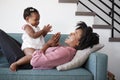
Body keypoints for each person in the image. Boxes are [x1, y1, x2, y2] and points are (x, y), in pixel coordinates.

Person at [0, 7, 52, 72]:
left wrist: (45, 32)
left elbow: (39, 37)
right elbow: (33, 35)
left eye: (39, 20)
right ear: (27, 19)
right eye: (36, 20)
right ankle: (16, 63)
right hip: (29, 47)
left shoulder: (37, 28)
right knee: (31, 56)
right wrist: (43, 30)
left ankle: (18, 62)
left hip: (33, 56)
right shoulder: (27, 26)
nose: (38, 22)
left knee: (33, 56)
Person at [30, 21, 99, 69]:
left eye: (75, 33)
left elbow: (35, 61)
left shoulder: (66, 52)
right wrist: (53, 46)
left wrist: (47, 44)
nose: (71, 33)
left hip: (28, 64)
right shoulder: (67, 50)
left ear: (79, 43)